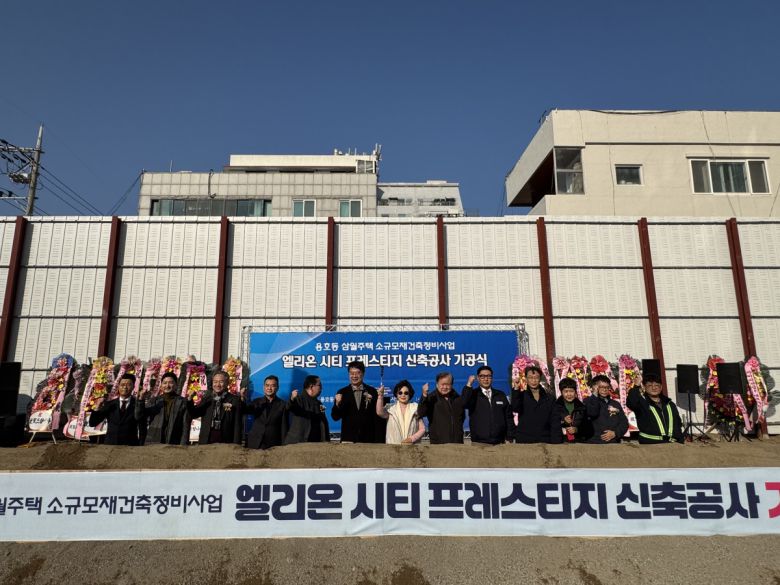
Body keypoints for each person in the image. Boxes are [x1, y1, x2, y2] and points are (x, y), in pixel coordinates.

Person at [461, 365, 513, 445]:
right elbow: (464, 403)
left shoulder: (500, 395)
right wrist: (469, 385)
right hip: (479, 442)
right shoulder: (473, 394)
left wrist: (509, 436)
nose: (486, 379)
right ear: (478, 378)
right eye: (482, 376)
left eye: (489, 376)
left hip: (500, 442)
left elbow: (508, 416)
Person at [187, 370, 243, 445]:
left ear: (227, 383)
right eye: (215, 382)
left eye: (221, 382)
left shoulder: (234, 400)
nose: (217, 385)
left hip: (226, 440)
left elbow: (237, 425)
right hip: (207, 439)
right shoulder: (207, 398)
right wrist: (190, 400)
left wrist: (236, 444)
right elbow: (194, 414)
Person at [627, 373, 684, 444]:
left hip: (671, 444)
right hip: (649, 444)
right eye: (650, 385)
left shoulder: (670, 404)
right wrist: (636, 386)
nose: (654, 388)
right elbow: (631, 402)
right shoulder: (641, 403)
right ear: (644, 387)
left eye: (657, 385)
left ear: (661, 387)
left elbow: (678, 424)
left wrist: (680, 440)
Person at [331, 360, 380, 443]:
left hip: (368, 440)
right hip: (348, 439)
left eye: (357, 373)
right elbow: (335, 417)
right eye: (351, 373)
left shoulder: (372, 391)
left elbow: (376, 417)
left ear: (363, 374)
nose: (354, 376)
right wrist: (337, 404)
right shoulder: (342, 392)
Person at [511, 365, 562, 444]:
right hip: (525, 440)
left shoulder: (549, 398)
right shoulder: (521, 395)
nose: (533, 380)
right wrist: (516, 389)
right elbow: (515, 408)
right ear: (526, 379)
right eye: (530, 377)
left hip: (545, 440)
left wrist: (556, 441)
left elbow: (555, 420)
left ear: (540, 379)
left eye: (536, 378)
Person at [88, 373, 142, 445]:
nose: (125, 387)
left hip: (130, 446)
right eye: (122, 385)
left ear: (133, 387)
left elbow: (142, 425)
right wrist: (97, 407)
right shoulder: (110, 404)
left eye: (128, 385)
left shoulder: (138, 404)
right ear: (118, 386)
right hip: (110, 445)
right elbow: (93, 423)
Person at [137, 372, 189, 445]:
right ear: (161, 385)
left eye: (171, 383)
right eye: (165, 383)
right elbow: (139, 416)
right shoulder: (154, 401)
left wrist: (183, 444)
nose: (167, 385)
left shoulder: (183, 402)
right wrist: (140, 400)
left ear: (176, 385)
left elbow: (185, 425)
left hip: (174, 442)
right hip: (154, 441)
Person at [417, 372, 465, 444]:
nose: (445, 387)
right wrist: (424, 395)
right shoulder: (431, 398)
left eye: (448, 384)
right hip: (438, 443)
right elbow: (421, 413)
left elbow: (462, 417)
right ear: (437, 385)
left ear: (452, 385)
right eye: (442, 384)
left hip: (457, 442)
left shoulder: (457, 398)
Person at [244, 374, 287, 449]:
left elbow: (284, 426)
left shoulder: (283, 404)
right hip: (255, 443)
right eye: (267, 385)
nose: (269, 388)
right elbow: (245, 410)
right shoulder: (256, 402)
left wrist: (283, 445)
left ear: (277, 388)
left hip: (274, 444)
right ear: (264, 387)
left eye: (272, 386)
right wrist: (242, 398)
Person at [375, 380, 426, 444]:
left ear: (410, 394)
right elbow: (379, 412)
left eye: (406, 393)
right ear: (396, 394)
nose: (403, 395)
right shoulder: (390, 408)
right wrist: (380, 396)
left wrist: (411, 439)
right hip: (392, 447)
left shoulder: (415, 408)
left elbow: (422, 429)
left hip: (412, 447)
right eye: (400, 393)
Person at [285, 375, 330, 444]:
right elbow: (289, 407)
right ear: (311, 387)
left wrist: (326, 440)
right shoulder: (299, 399)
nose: (321, 388)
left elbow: (324, 422)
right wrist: (292, 399)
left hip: (317, 445)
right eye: (319, 385)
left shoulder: (320, 404)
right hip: (298, 444)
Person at [584, 375, 629, 444]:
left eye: (607, 387)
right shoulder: (587, 401)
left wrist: (615, 433)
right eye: (601, 387)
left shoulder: (615, 404)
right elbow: (593, 413)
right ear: (594, 387)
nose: (605, 390)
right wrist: (595, 395)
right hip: (593, 443)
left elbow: (624, 423)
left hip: (613, 443)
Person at [552, 377, 588, 443]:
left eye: (571, 391)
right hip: (561, 442)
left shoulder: (582, 407)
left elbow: (587, 426)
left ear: (575, 392)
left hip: (579, 442)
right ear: (561, 392)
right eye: (566, 391)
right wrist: (563, 421)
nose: (569, 394)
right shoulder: (555, 407)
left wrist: (577, 430)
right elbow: (550, 424)